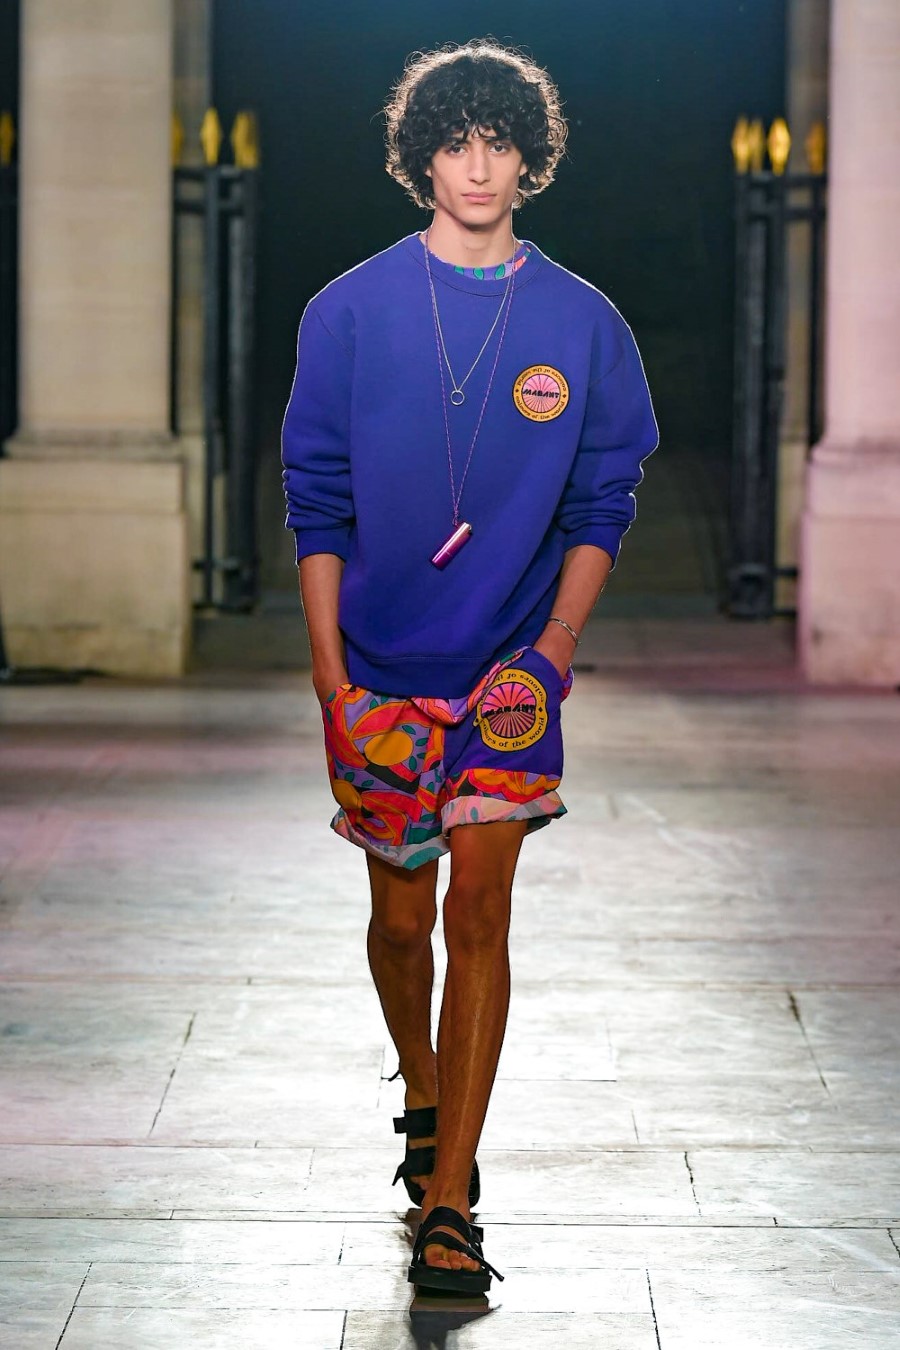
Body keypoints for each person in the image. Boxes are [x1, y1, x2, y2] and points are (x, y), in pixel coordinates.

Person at [281, 39, 658, 1296]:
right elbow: (316, 501)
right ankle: (426, 1096)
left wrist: (550, 654)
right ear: (422, 159)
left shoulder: (583, 322)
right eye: (457, 142)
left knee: (478, 914)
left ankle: (451, 1203)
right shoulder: (347, 312)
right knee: (401, 921)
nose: (480, 165)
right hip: (379, 671)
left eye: (500, 142)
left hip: (509, 677)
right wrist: (332, 682)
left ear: (530, 159)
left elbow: (604, 501)